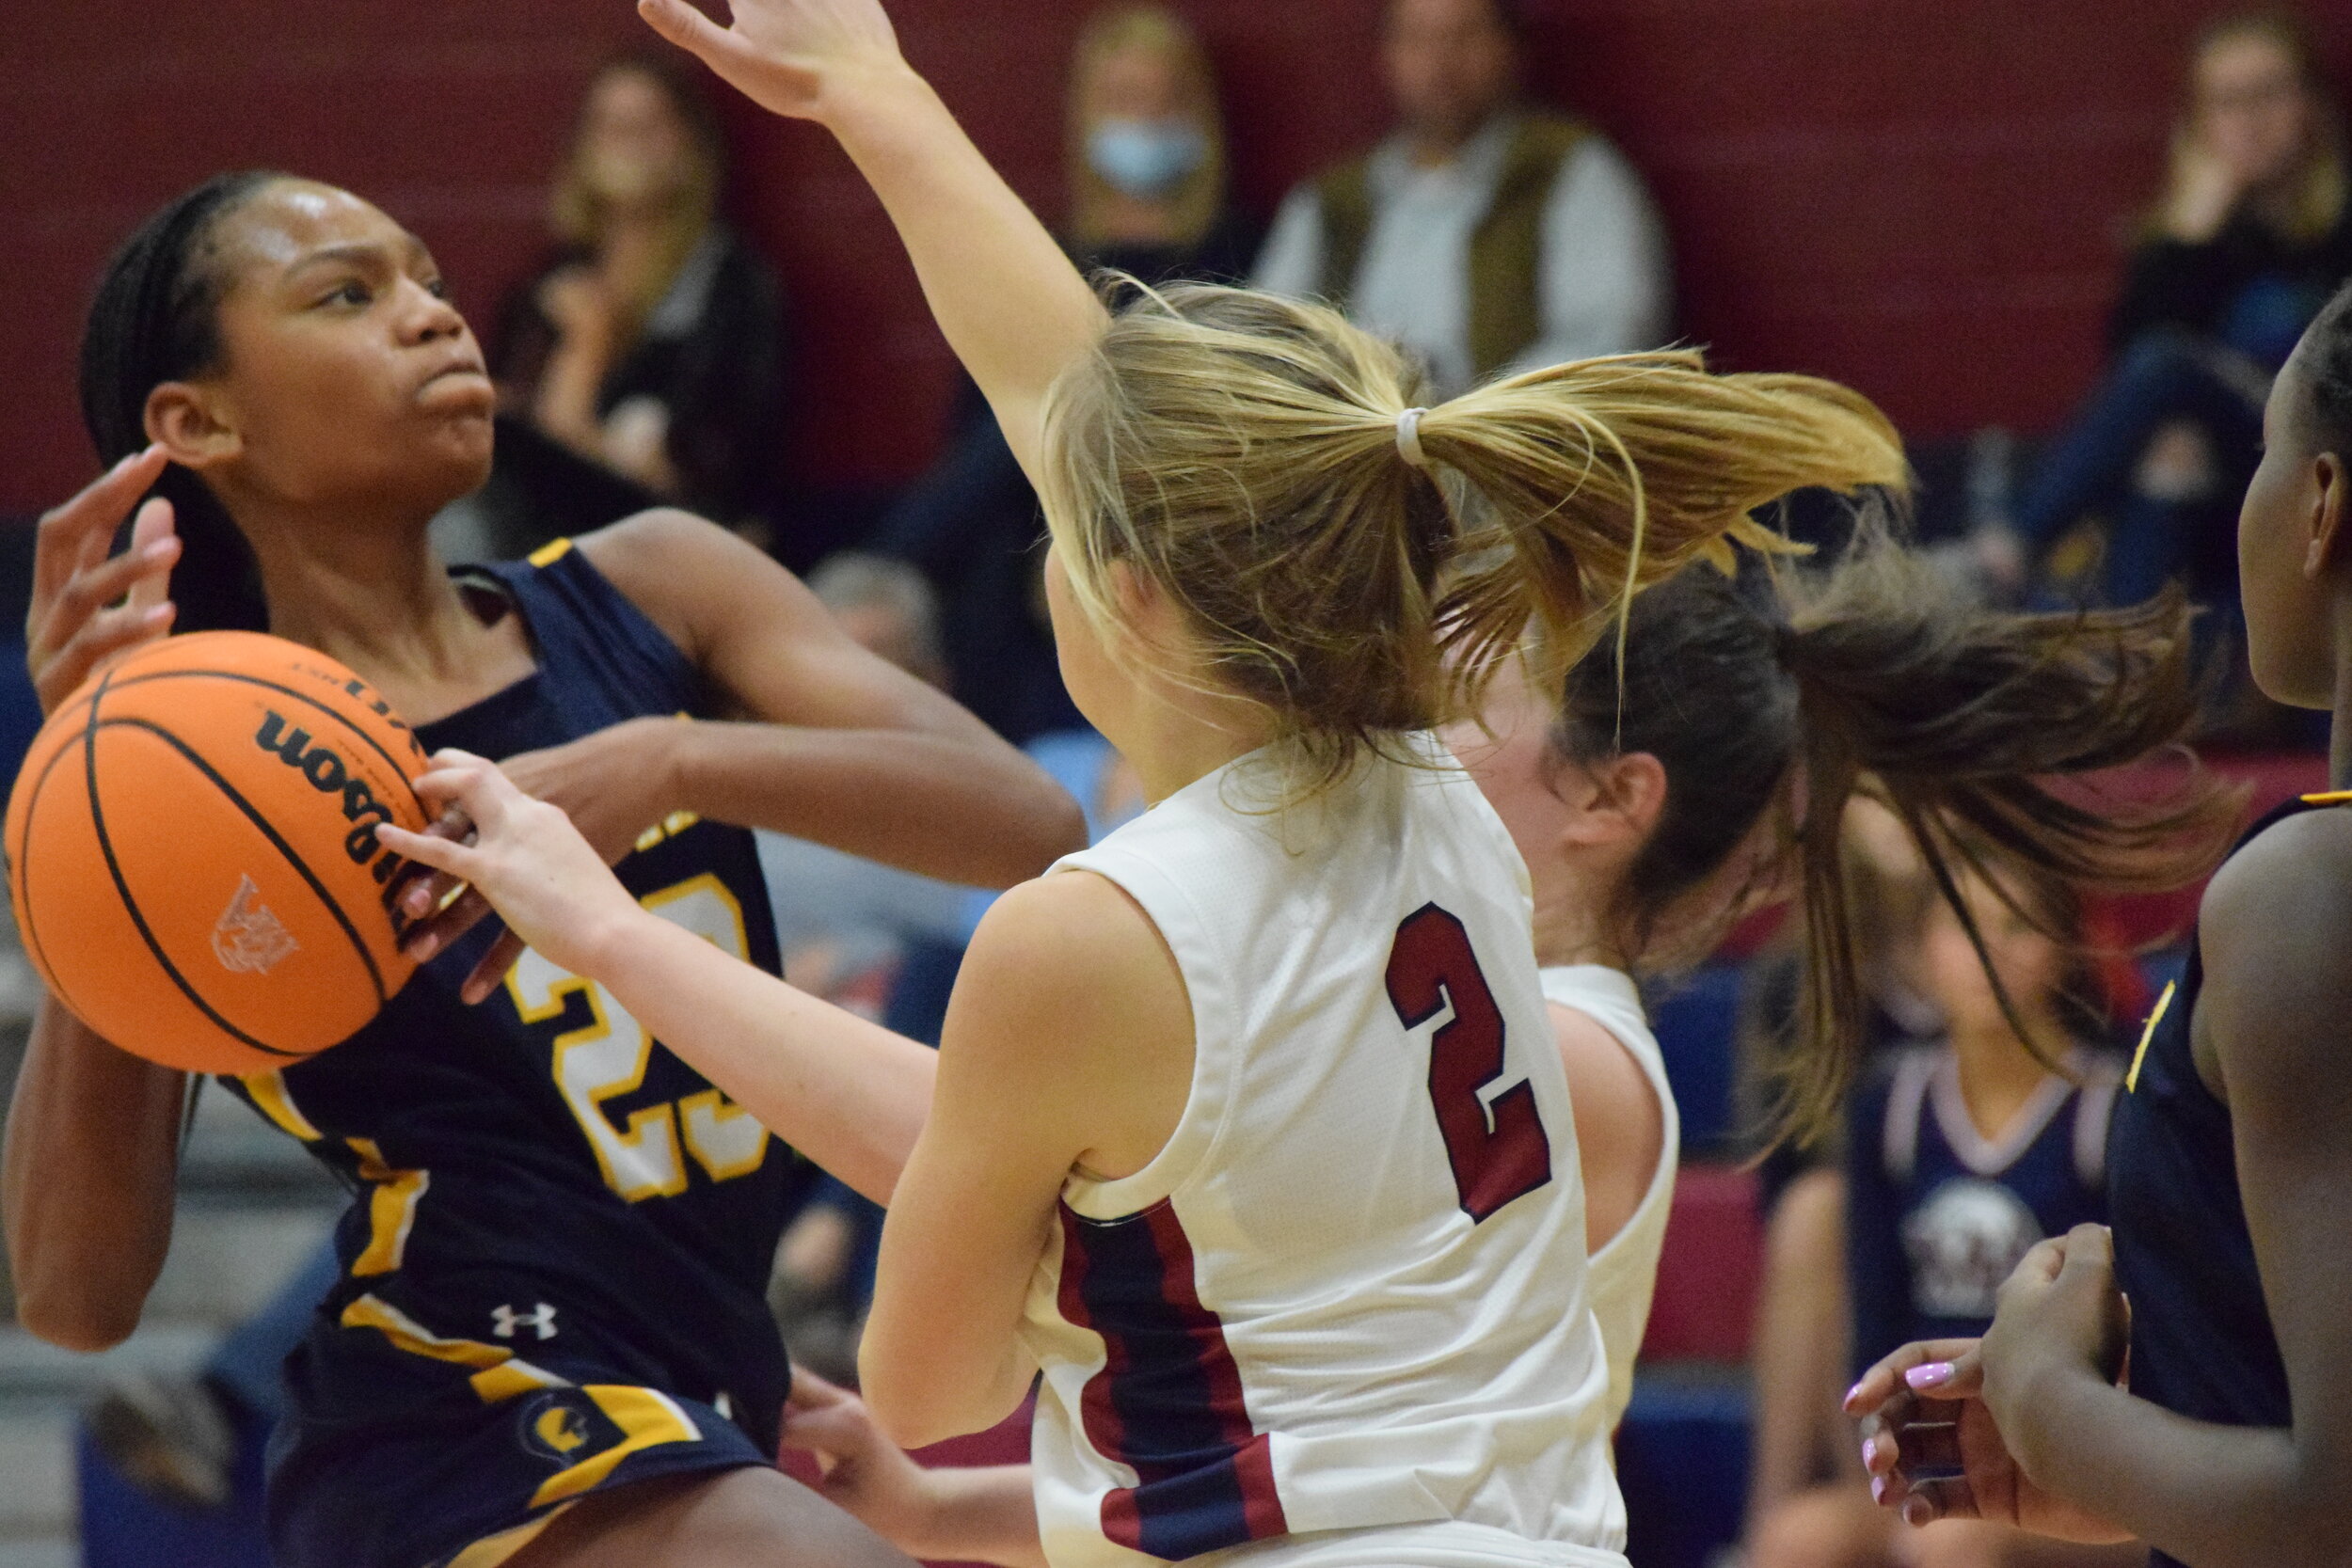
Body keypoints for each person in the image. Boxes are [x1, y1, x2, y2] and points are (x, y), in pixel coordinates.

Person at [386, 0, 1923, 1563]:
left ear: (1118, 592)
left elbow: (931, 1375)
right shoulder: (1433, 801)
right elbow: (1083, 410)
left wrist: (610, 931)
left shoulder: (1096, 930)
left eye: (1067, 525)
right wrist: (872, 97)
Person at [733, 540, 2241, 1568]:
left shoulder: (1570, 1053)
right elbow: (1278, 1445)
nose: (1432, 726)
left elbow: (979, 1139)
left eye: (1482, 702)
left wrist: (609, 926)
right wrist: (937, 1502)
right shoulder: (1428, 969)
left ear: (1610, 794)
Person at [1, 166, 1084, 1568]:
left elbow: (1023, 820)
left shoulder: (650, 586)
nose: (432, 318)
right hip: (462, 1405)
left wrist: (676, 760)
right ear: (198, 419)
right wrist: (99, 803)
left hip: (708, 1376)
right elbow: (78, 1294)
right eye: (349, 295)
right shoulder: (203, 771)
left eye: (430, 282)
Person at [1851, 284, 2352, 1568]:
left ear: (2322, 504)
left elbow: (2333, 1502)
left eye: (2260, 458)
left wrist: (2045, 1395)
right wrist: (2151, 1454)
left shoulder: (2309, 891)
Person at [867, 4, 1257, 745]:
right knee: (1016, 453)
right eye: (1121, 100)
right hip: (1029, 509)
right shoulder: (1046, 252)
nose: (1141, 119)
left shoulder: (1242, 253)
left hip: (1173, 501)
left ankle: (879, 565)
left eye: (1159, 100)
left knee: (1083, 387)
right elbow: (975, 427)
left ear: (1196, 115)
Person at [1750, 860, 2142, 1568]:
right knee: (1795, 1539)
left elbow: (2146, 1333)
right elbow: (1873, 1319)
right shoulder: (1891, 1102)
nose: (1986, 952)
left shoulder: (2110, 1106)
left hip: (2080, 1470)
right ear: (1922, 949)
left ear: (2062, 946)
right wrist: (1887, 1455)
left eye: (2015, 927)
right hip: (1937, 1454)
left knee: (1956, 1540)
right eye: (1961, 929)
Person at [1992, 12, 2350, 609]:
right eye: (2228, 102)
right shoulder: (2193, 236)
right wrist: (2191, 233)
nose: (2251, 121)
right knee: (2167, 462)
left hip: (2318, 456)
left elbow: (2159, 363)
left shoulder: (2339, 228)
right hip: (2229, 487)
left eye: (2268, 93)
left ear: (2310, 103)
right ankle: (2139, 673)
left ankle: (2007, 550)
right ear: (2199, 122)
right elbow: (2125, 374)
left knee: (2167, 369)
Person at [1253, 0, 1671, 400]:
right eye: (1418, 38)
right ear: (1387, 53)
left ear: (1509, 47)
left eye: (1464, 36)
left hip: (1514, 452)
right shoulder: (1330, 201)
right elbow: (1264, 346)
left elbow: (1608, 337)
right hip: (1358, 454)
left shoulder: (1569, 171)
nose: (1440, 62)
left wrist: (1465, 421)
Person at [493, 51, 787, 531]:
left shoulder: (733, 289)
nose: (624, 142)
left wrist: (586, 353)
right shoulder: (550, 283)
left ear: (690, 143)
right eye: (608, 124)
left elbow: (707, 472)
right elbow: (502, 428)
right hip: (532, 529)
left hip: (669, 538)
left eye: (646, 123)